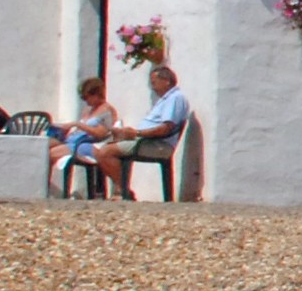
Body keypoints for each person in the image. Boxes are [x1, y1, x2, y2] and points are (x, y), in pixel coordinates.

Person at [121, 62, 196, 201]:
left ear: (166, 81)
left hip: (158, 145)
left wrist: (138, 134)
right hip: (146, 141)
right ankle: (124, 190)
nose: (152, 87)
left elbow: (166, 128)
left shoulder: (175, 98)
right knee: (108, 149)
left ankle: (124, 191)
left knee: (107, 152)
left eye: (154, 82)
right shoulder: (166, 99)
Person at [54, 75, 115, 199]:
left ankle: (45, 189)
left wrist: (77, 124)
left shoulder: (106, 110)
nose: (86, 101)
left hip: (87, 145)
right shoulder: (88, 110)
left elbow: (101, 133)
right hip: (76, 141)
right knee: (47, 144)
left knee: (49, 153)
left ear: (96, 94)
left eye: (87, 97)